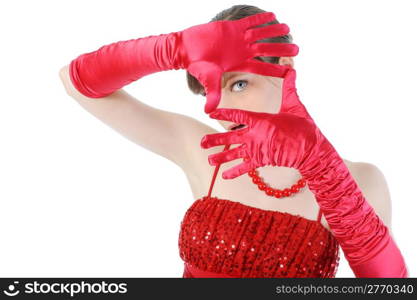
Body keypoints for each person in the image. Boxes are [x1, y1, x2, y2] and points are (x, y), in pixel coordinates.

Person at [59, 4, 408, 277]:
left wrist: (321, 165)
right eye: (210, 89)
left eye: (238, 84)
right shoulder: (205, 151)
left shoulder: (360, 179)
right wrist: (169, 48)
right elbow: (77, 84)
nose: (220, 108)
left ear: (284, 65)